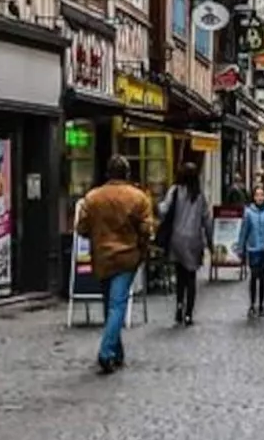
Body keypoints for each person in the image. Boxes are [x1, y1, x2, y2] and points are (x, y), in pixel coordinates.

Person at [76, 156, 154, 374]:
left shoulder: (92, 198)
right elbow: (146, 229)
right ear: (127, 174)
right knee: (117, 305)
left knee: (109, 304)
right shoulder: (138, 198)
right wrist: (142, 248)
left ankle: (116, 352)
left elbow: (81, 228)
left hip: (101, 257)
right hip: (127, 256)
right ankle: (107, 352)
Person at [159, 163, 214, 326]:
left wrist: (156, 203)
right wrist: (211, 242)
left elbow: (163, 210)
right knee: (191, 277)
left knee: (180, 275)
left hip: (176, 239)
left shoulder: (174, 190)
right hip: (194, 240)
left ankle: (179, 306)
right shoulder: (199, 195)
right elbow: (207, 220)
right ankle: (189, 313)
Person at [236, 184, 264, 318]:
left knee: (263, 278)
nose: (259, 198)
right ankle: (252, 304)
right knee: (254, 276)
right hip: (253, 249)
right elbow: (244, 231)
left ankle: (261, 305)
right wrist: (240, 247)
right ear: (253, 197)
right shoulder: (248, 212)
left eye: (262, 195)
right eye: (257, 195)